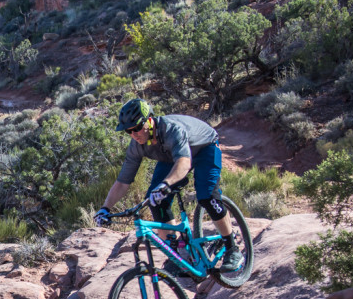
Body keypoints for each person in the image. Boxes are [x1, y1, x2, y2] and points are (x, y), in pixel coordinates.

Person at [94, 98, 245, 272]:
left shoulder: (172, 130)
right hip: (172, 158)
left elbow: (183, 163)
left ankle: (232, 247)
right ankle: (177, 255)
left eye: (137, 128)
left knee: (206, 196)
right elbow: (122, 182)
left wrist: (166, 185)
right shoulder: (136, 145)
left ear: (149, 120)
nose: (134, 134)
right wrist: (105, 208)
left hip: (204, 148)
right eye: (128, 131)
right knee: (155, 201)